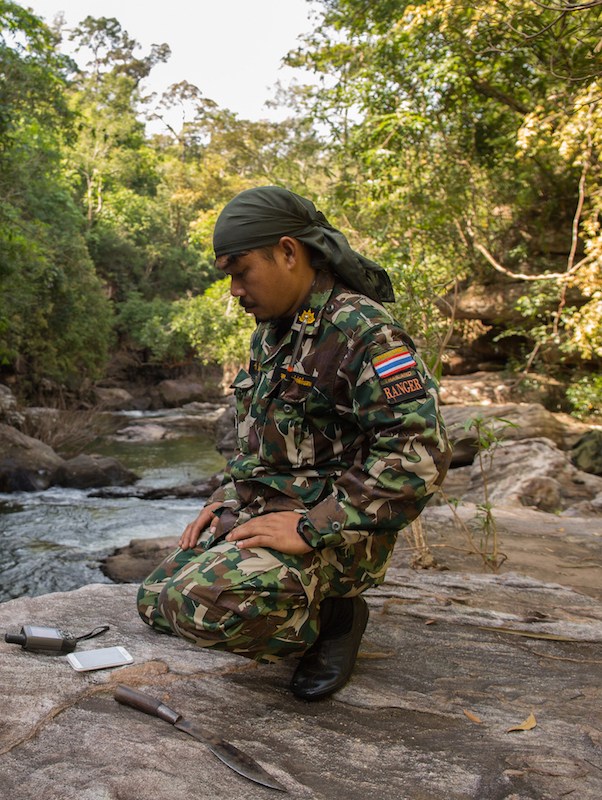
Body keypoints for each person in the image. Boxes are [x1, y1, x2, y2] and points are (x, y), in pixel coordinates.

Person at [136, 186, 452, 700]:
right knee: (156, 600)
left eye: (240, 272)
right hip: (270, 515)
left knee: (209, 609)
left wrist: (312, 527)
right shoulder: (273, 333)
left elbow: (418, 454)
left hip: (336, 531)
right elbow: (259, 442)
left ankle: (336, 618)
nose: (234, 290)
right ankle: (302, 600)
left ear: (288, 252)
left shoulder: (363, 331)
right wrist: (224, 500)